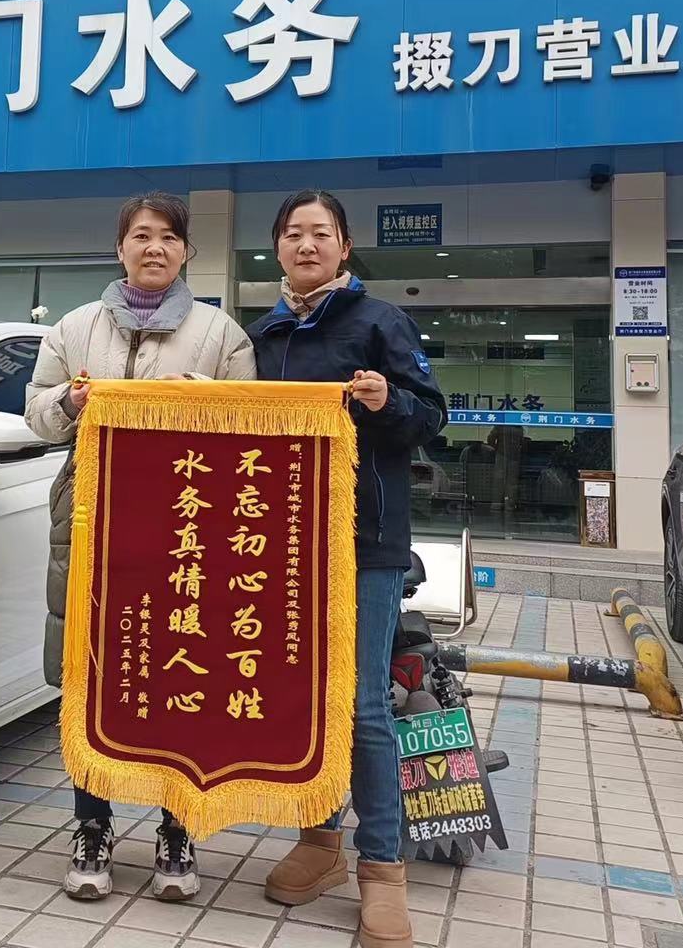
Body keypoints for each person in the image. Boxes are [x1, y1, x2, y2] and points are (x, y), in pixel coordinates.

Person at [24, 192, 256, 902]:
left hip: (187, 524)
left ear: (186, 251)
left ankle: (177, 830)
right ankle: (91, 827)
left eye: (168, 238)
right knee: (93, 673)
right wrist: (69, 402)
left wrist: (205, 397)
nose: (155, 248)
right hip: (90, 517)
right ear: (120, 248)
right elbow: (36, 415)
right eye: (142, 236)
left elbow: (253, 423)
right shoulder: (73, 327)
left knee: (179, 672)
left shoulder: (221, 333)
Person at [248, 190, 445, 948]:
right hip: (284, 547)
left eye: (320, 233)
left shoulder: (380, 321)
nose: (307, 245)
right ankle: (319, 839)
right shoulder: (264, 335)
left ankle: (383, 869)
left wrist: (389, 398)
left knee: (363, 706)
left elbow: (433, 417)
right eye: (293, 233)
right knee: (305, 700)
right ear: (277, 247)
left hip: (367, 543)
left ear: (344, 245)